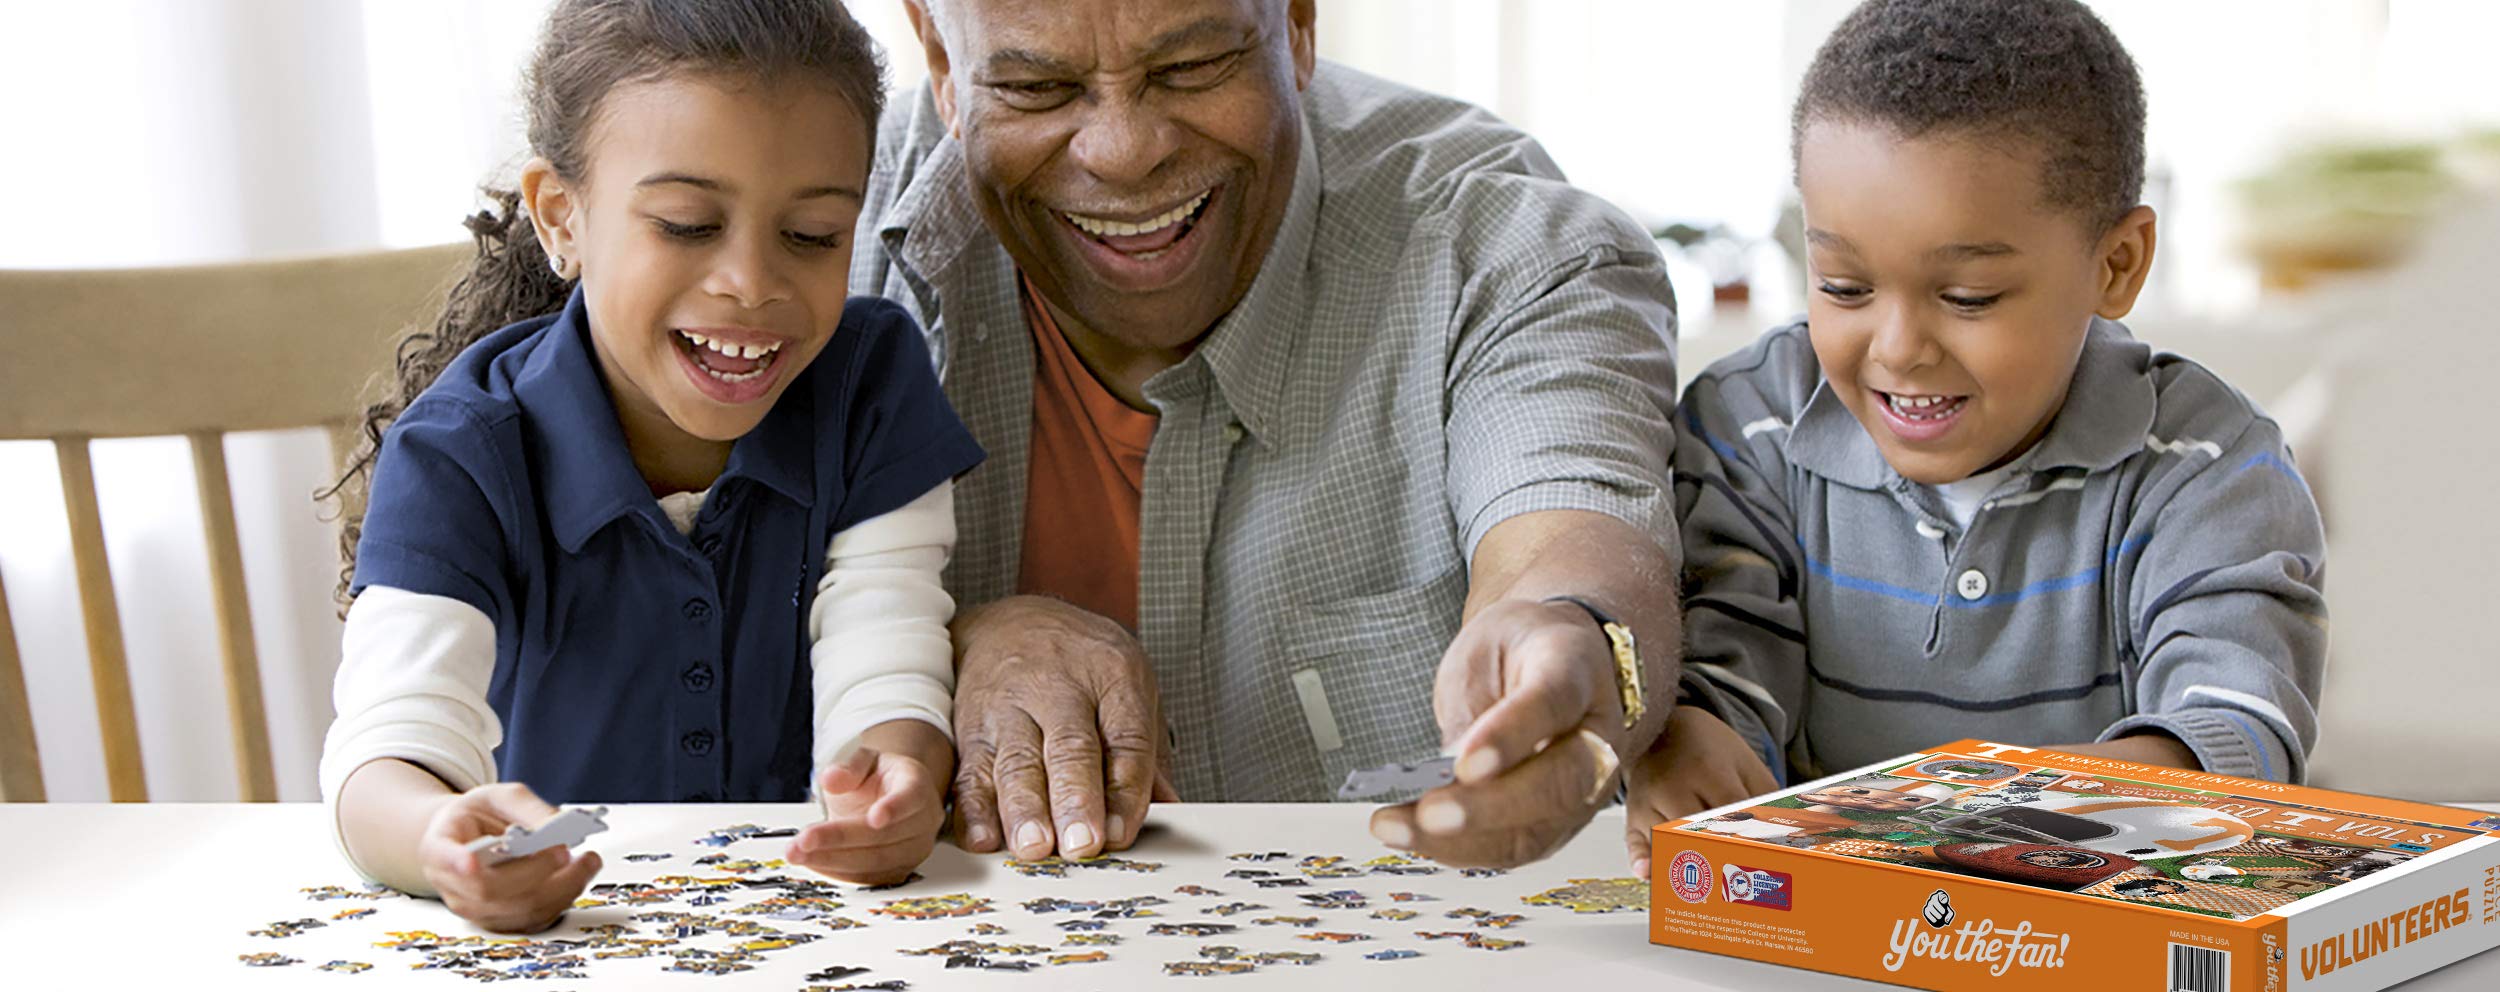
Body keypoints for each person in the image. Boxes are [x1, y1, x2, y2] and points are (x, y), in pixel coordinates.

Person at [857, 0, 1688, 869]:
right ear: (941, 61)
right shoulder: (797, 226)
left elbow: (1568, 529)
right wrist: (938, 642)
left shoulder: (1501, 244)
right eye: (1035, 86)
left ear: (1296, 22)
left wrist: (1575, 638)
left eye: (1191, 67)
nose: (1124, 151)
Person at [316, 0, 983, 932]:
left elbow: (886, 648)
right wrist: (438, 836)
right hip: (565, 940)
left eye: (813, 235)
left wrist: (895, 777)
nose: (751, 281)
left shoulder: (871, 385)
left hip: (813, 929)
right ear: (561, 217)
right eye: (684, 223)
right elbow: (386, 751)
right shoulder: (460, 452)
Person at [1627, 0, 2327, 874]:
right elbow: (1726, 649)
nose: (1897, 348)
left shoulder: (2208, 464)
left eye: (1967, 299)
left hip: (2084, 926)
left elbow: (2233, 717)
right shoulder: (1749, 424)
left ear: (2116, 265)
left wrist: (2032, 815)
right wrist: (1688, 734)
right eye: (1844, 286)